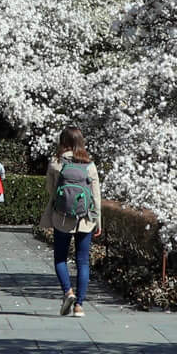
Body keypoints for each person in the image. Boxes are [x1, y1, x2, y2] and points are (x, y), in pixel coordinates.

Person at [38, 127, 101, 316]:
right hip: (85, 219)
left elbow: (51, 190)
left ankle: (68, 292)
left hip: (62, 218)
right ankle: (79, 305)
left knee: (60, 258)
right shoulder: (89, 165)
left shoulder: (56, 163)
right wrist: (97, 220)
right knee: (83, 262)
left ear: (62, 141)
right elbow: (96, 197)